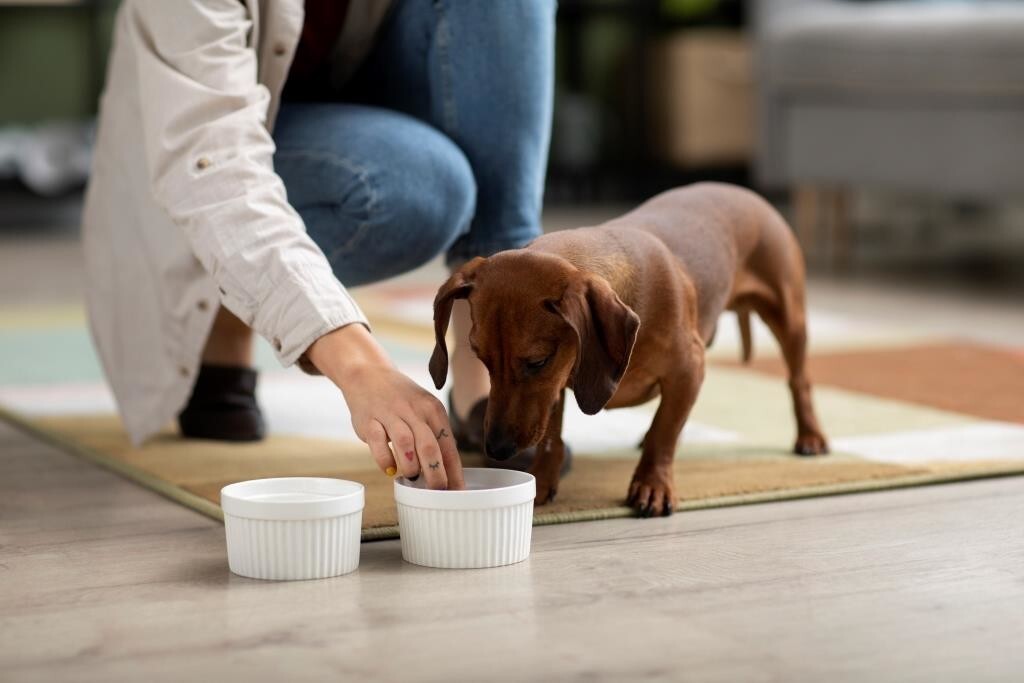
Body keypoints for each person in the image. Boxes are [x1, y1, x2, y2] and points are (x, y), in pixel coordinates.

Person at [81, 0, 555, 490]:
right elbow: (214, 165)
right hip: (206, 152)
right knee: (423, 190)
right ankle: (221, 316)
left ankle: (485, 369)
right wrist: (360, 366)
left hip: (357, 98)